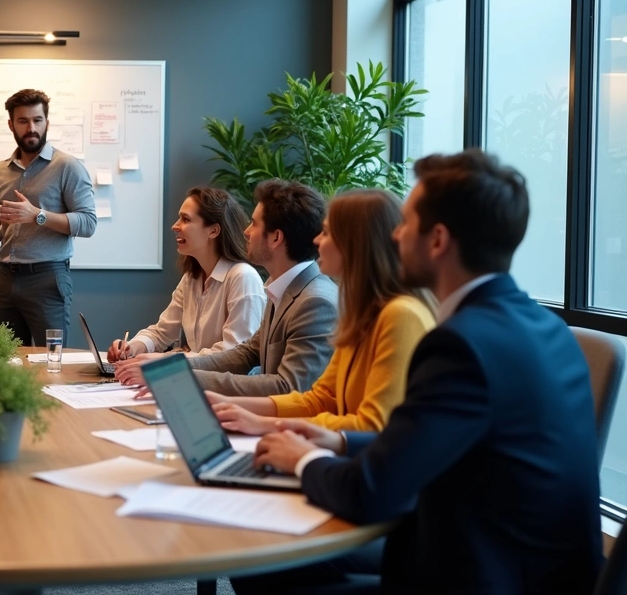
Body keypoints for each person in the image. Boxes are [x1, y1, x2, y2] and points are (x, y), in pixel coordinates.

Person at [243, 150, 603, 594]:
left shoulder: (460, 345)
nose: (395, 235)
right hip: (531, 568)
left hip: (474, 574)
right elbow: (429, 442)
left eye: (406, 223)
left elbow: (370, 491)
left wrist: (301, 458)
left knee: (265, 563)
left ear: (437, 241)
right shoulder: (547, 327)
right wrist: (339, 441)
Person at [207, 189, 435, 435]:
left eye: (326, 232)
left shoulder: (400, 315)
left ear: (353, 244)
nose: (316, 241)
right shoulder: (362, 313)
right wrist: (228, 404)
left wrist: (265, 423)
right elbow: (321, 398)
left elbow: (373, 425)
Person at [118, 179, 337, 397]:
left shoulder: (315, 302)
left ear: (276, 238)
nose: (246, 232)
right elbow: (246, 353)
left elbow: (288, 387)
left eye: (254, 224)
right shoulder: (280, 288)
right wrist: (169, 369)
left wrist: (173, 373)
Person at [0, 88, 97, 346]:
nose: (31, 128)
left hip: (47, 277)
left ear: (47, 122)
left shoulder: (67, 167)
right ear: (11, 125)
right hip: (5, 278)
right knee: (8, 359)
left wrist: (38, 215)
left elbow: (88, 223)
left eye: (37, 120)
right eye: (23, 121)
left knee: (52, 359)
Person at [107, 186, 265, 361]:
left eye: (185, 219)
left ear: (213, 231)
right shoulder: (191, 279)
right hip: (197, 375)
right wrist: (132, 347)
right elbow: (161, 333)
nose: (175, 226)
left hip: (223, 378)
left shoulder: (243, 278)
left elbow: (233, 354)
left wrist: (167, 361)